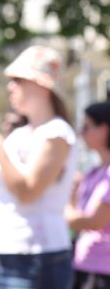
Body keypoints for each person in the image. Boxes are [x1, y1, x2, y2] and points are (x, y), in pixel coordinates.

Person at [0, 44, 76, 287]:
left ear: (42, 85)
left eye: (18, 80)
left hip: (37, 257)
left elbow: (28, 192)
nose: (10, 87)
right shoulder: (19, 136)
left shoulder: (57, 132)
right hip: (2, 251)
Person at [68, 101, 110, 289]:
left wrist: (61, 210)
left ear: (104, 129)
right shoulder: (93, 172)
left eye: (86, 127)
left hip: (103, 271)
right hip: (86, 265)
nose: (81, 133)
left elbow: (94, 221)